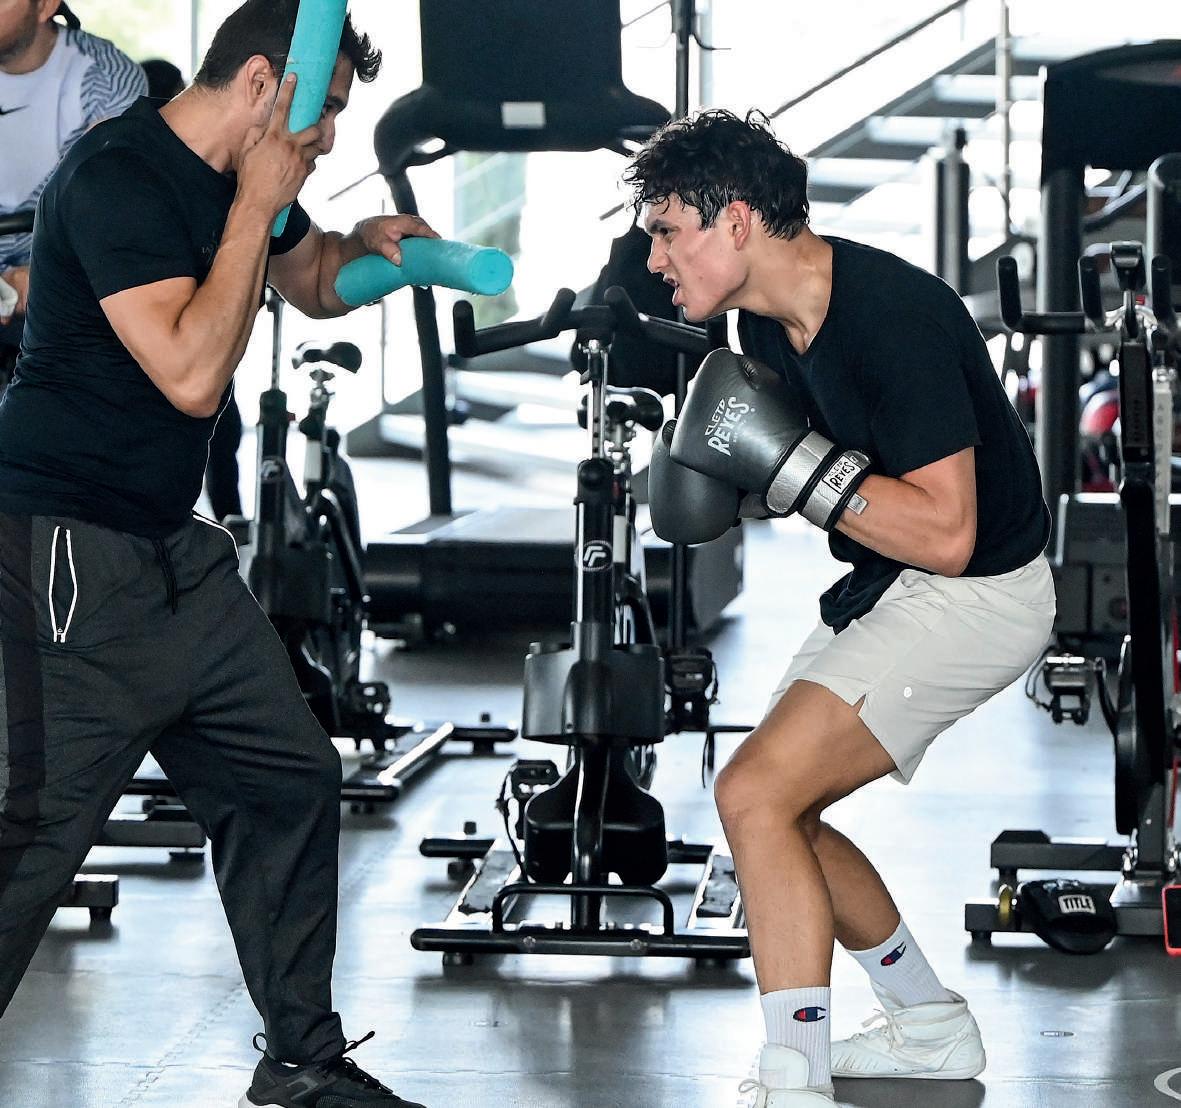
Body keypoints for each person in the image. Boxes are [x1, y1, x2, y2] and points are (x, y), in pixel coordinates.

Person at [0, 2, 438, 1106]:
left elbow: (308, 276)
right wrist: (255, 205)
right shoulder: (117, 180)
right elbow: (193, 376)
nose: (325, 137)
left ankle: (300, 1060)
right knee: (32, 832)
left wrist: (368, 249)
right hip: (63, 554)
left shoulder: (245, 182)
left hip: (172, 553)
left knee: (286, 777)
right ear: (257, 84)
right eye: (319, 111)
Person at [635, 110, 1054, 1107]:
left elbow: (947, 533)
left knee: (754, 793)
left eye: (665, 231)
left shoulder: (891, 317)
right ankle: (928, 1023)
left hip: (976, 593)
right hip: (883, 581)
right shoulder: (759, 326)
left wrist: (787, 466)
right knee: (776, 810)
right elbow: (822, 486)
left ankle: (793, 1078)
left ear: (734, 221)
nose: (654, 259)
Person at [0, 0, 146, 370]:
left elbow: (107, 207)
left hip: (62, 279)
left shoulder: (108, 76)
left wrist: (37, 272)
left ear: (45, 5)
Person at [142, 53, 246, 520]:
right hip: (178, 352)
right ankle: (229, 517)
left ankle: (228, 518)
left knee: (220, 429)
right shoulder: (130, 176)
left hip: (202, 342)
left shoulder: (213, 173)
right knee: (216, 428)